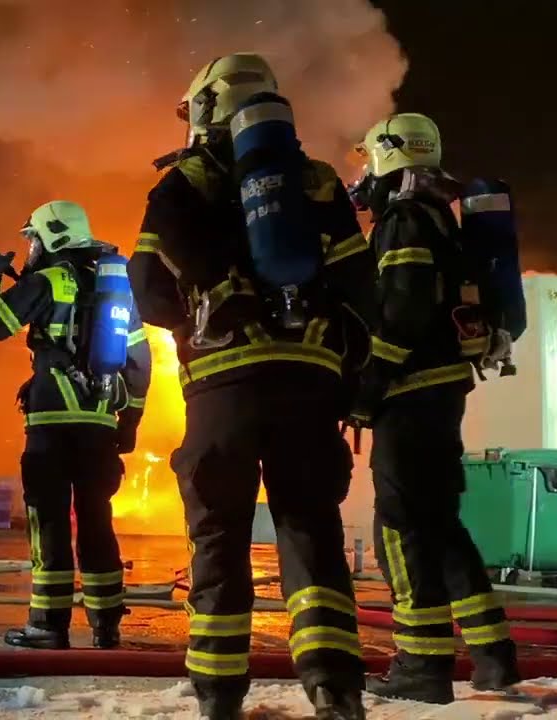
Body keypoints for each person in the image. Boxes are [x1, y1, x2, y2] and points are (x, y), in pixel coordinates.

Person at [129, 53, 377, 720]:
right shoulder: (319, 182)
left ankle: (219, 696)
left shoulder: (184, 183)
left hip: (223, 389)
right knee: (311, 532)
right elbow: (361, 290)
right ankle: (335, 690)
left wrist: (202, 314)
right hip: (309, 387)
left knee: (219, 537)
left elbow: (150, 292)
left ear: (208, 105)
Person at [349, 112, 521, 704]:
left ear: (389, 156)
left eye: (368, 160)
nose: (363, 174)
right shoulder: (439, 217)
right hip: (441, 390)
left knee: (399, 527)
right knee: (440, 524)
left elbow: (402, 310)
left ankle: (421, 667)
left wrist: (367, 386)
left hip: (410, 390)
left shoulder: (403, 220)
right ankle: (494, 655)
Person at [0, 200, 152, 651]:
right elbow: (141, 361)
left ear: (51, 237)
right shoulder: (116, 289)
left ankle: (48, 626)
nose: (29, 246)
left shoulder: (48, 279)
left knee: (48, 522)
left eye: (32, 237)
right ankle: (106, 625)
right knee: (96, 520)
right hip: (98, 426)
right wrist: (128, 422)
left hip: (51, 424)